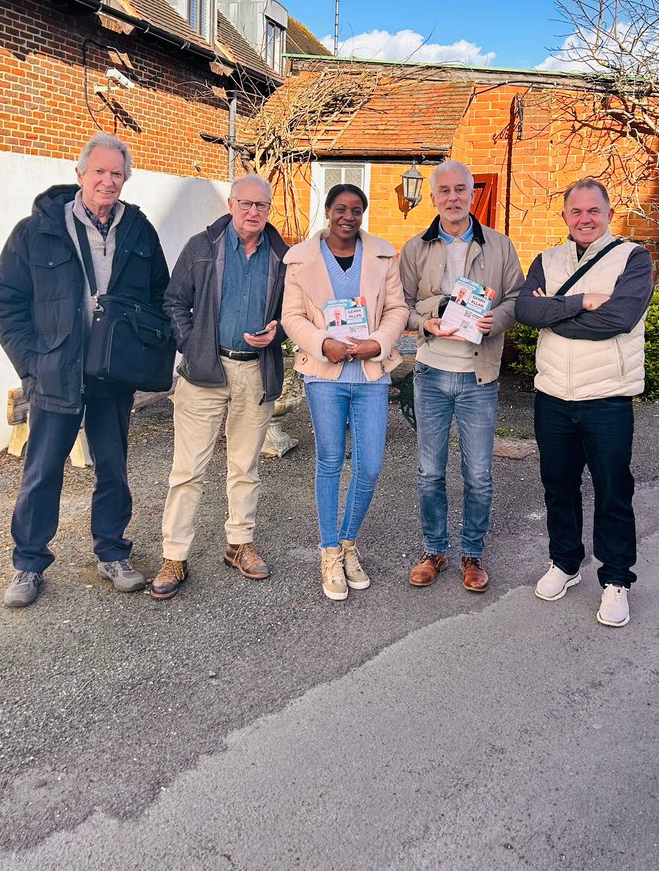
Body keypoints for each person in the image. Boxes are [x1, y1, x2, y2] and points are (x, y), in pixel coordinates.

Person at [0, 134, 170, 608]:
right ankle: (28, 563)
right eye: (99, 172)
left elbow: (159, 299)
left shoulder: (139, 231)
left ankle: (111, 552)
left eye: (117, 174)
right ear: (80, 175)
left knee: (113, 468)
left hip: (113, 375)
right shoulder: (38, 230)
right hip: (56, 373)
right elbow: (4, 298)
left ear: (125, 179)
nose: (108, 181)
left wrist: (144, 355)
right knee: (43, 470)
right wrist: (32, 361)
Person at [515, 177, 654, 628]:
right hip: (553, 395)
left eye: (593, 210)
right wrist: (579, 302)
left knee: (614, 491)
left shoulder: (633, 257)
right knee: (558, 485)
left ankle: (616, 580)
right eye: (576, 212)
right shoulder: (547, 259)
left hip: (607, 398)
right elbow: (526, 311)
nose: (585, 219)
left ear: (609, 213)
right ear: (565, 218)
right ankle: (566, 563)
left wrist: (555, 315)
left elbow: (619, 318)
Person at [151, 174, 287, 599]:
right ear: (230, 204)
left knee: (245, 467)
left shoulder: (283, 256)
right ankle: (174, 555)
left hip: (255, 371)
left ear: (269, 210)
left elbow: (295, 311)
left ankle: (239, 543)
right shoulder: (201, 248)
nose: (253, 212)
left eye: (261, 206)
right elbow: (173, 301)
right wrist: (194, 343)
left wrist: (278, 331)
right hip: (205, 372)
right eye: (245, 204)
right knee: (187, 470)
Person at [399, 160, 524, 592]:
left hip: (479, 375)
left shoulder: (500, 246)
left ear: (472, 194)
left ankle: (472, 554)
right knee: (430, 472)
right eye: (444, 190)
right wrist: (425, 320)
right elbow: (402, 306)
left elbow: (516, 297)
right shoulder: (415, 248)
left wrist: (498, 320)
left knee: (478, 474)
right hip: (432, 373)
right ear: (433, 197)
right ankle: (434, 550)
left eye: (461, 190)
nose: (453, 197)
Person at [282, 184, 408, 601]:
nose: (348, 217)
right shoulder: (300, 260)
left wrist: (379, 342)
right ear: (328, 211)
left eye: (356, 210)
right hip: (325, 375)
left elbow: (397, 310)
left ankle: (349, 541)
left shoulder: (383, 256)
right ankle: (329, 549)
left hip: (370, 374)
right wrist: (322, 344)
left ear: (363, 214)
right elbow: (292, 316)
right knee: (331, 462)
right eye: (340, 209)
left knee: (370, 466)